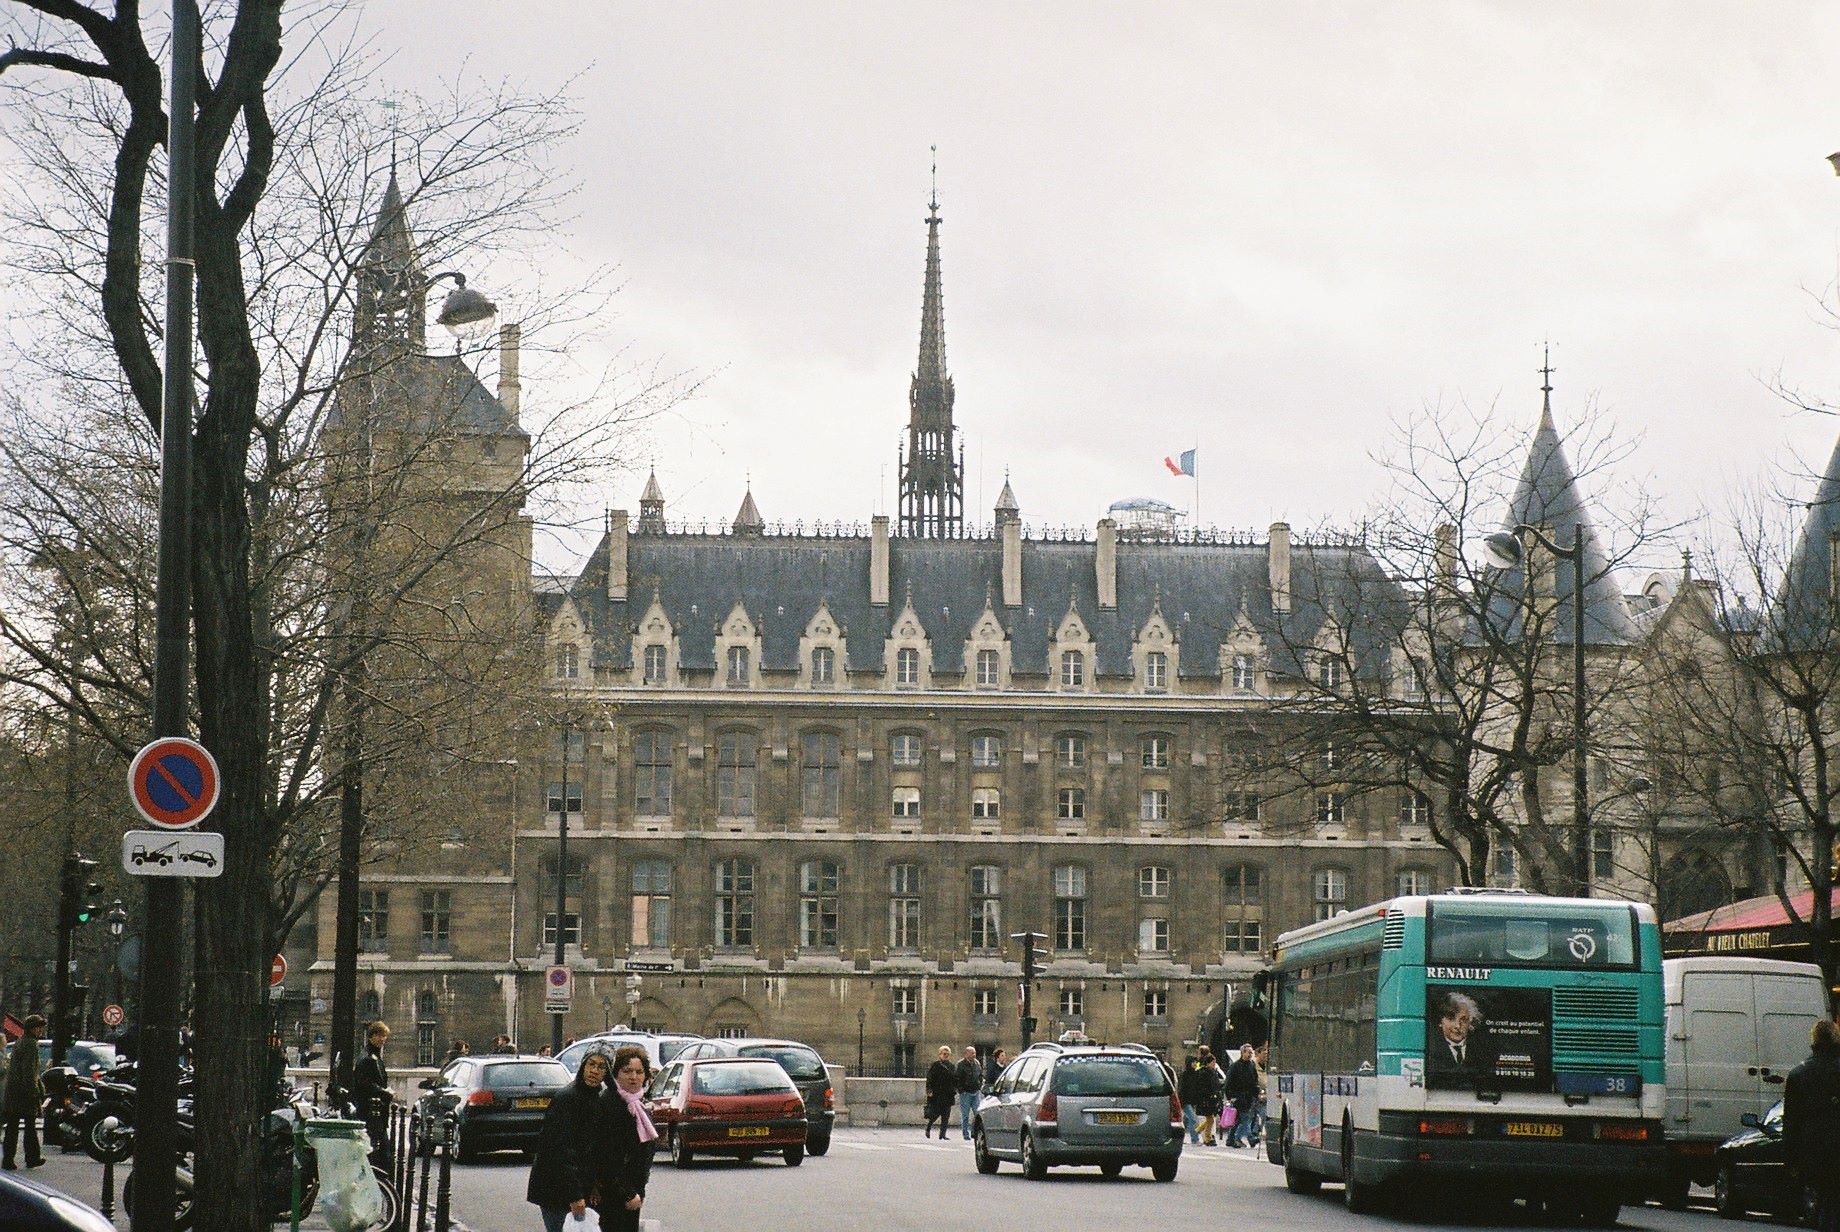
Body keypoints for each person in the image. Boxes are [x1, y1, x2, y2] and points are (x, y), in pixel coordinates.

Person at [527, 1044, 610, 1232]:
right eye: (591, 1064)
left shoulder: (597, 1097)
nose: (594, 1071)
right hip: (556, 1189)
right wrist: (574, 1195)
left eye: (601, 1067)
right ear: (583, 1065)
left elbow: (593, 1148)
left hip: (579, 1186)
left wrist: (594, 1185)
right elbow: (560, 1150)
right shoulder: (567, 1098)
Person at [1783, 1018, 1840, 1232]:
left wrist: (1790, 1159)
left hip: (1812, 1148)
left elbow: (1791, 1120)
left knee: (1823, 1198)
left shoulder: (1798, 1074)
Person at [596, 1044, 656, 1232]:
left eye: (639, 1072)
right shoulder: (610, 1103)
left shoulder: (637, 1103)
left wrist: (640, 1191)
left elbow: (644, 1153)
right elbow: (606, 1157)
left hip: (632, 1192)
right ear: (615, 1074)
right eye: (627, 1071)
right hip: (611, 1194)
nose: (633, 1077)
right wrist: (627, 1194)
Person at [2, 1014, 46, 1170]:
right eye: (38, 1027)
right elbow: (30, 1072)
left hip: (14, 1091)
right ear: (32, 1029)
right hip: (24, 1093)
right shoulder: (31, 1044)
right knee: (29, 1127)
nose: (41, 1030)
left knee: (13, 1128)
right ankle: (32, 1157)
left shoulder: (20, 1042)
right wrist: (36, 1091)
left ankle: (8, 1159)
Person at [1427, 990, 1491, 1084]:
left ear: (1471, 1022)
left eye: (1464, 1020)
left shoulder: (1483, 1050)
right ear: (1440, 1021)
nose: (1457, 1026)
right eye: (1451, 1018)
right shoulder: (1431, 1047)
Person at [352, 1020, 392, 1167]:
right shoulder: (368, 1058)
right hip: (371, 1113)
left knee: (380, 1151)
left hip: (375, 1112)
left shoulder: (373, 1056)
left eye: (384, 1036)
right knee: (381, 1152)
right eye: (380, 1035)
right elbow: (364, 1084)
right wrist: (383, 1092)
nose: (383, 1039)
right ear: (371, 1037)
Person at [1224, 1043, 1259, 1147]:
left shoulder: (1252, 1065)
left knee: (1237, 1119)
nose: (1250, 1054)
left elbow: (1254, 1081)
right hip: (1237, 1097)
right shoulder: (1235, 1066)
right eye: (1249, 1052)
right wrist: (1230, 1097)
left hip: (1248, 1097)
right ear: (1243, 1053)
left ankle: (1230, 1139)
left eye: (1251, 1053)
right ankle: (1251, 1138)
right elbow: (1228, 1082)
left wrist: (1256, 1093)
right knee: (1245, 1118)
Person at [1194, 1046, 1225, 1145]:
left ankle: (1203, 1132)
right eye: (1213, 1063)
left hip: (1212, 1098)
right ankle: (1208, 1137)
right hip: (1207, 1099)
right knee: (1210, 1119)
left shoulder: (1208, 1069)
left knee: (1210, 1118)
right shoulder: (1204, 1071)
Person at [923, 1046, 956, 1139]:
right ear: (940, 1054)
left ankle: (942, 1135)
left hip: (948, 1094)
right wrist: (929, 1090)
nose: (946, 1056)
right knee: (935, 1114)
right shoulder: (935, 1065)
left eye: (947, 1054)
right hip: (937, 1094)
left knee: (946, 1116)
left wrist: (955, 1089)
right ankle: (928, 1127)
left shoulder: (951, 1066)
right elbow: (929, 1078)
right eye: (944, 1054)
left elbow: (954, 1079)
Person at [954, 1046, 983, 1140]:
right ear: (966, 1054)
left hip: (975, 1091)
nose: (974, 1055)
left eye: (974, 1053)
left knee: (977, 1113)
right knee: (965, 1115)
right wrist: (961, 1090)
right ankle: (965, 1133)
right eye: (972, 1053)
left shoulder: (977, 1063)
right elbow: (957, 1078)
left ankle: (974, 1132)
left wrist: (979, 1086)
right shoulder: (961, 1064)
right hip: (965, 1093)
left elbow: (980, 1075)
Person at [1176, 1055, 1204, 1144]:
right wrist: (1181, 1100)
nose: (1196, 1064)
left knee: (1185, 1121)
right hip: (1185, 1101)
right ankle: (1195, 1139)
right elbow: (1181, 1089)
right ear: (1189, 1063)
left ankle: (1178, 1138)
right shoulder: (1185, 1074)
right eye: (1194, 1062)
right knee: (1193, 1119)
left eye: (1196, 1062)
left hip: (1191, 1101)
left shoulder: (1196, 1073)